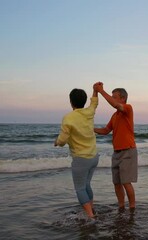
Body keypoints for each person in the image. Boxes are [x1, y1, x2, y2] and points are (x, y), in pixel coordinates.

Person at [54, 83, 100, 219]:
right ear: (84, 100)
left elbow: (62, 141)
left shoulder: (68, 118)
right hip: (94, 157)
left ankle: (90, 216)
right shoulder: (89, 112)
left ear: (71, 102)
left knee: (80, 188)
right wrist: (95, 90)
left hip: (81, 159)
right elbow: (94, 103)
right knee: (86, 185)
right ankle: (91, 209)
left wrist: (57, 142)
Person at [94, 83, 138, 210]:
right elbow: (106, 130)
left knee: (126, 181)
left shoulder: (128, 108)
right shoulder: (114, 115)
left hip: (128, 150)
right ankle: (121, 206)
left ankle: (132, 207)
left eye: (115, 97)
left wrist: (101, 91)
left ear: (122, 98)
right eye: (112, 97)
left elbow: (114, 104)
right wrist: (90, 129)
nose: (113, 99)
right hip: (116, 152)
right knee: (117, 182)